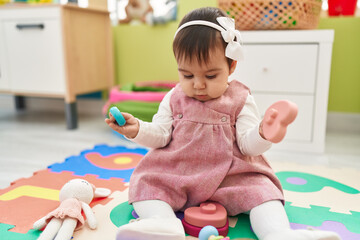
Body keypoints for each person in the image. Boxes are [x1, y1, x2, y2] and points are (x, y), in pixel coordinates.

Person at [105, 7, 341, 240]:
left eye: (210, 76)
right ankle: (164, 225)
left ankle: (278, 233)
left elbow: (248, 146)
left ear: (231, 66)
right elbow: (161, 134)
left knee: (263, 193)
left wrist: (263, 133)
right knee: (146, 183)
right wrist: (137, 130)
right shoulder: (174, 97)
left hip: (232, 175)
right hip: (179, 172)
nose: (198, 85)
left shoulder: (240, 99)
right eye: (187, 75)